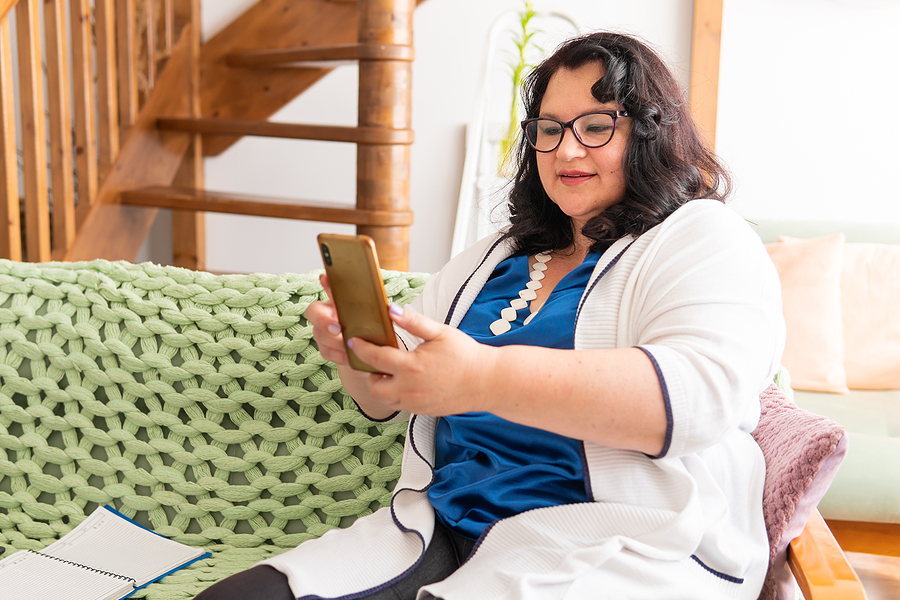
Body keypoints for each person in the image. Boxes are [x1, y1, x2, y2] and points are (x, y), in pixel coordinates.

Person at [195, 31, 785, 600]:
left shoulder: (704, 237)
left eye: (597, 126)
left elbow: (697, 400)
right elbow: (383, 400)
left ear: (651, 134)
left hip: (610, 542)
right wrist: (356, 352)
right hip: (443, 528)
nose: (568, 149)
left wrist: (482, 377)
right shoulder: (495, 258)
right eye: (549, 129)